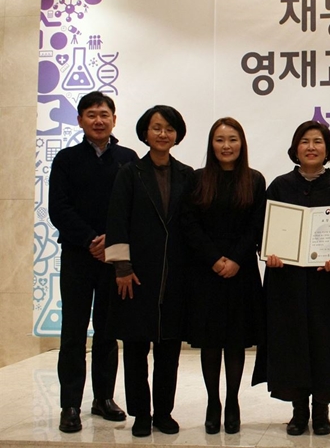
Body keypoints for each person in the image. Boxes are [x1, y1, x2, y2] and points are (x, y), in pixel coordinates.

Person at [257, 120, 330, 436]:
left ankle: (322, 410)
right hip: (286, 283)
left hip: (328, 284)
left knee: (327, 343)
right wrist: (270, 251)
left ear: (327, 149)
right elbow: (264, 233)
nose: (311, 147)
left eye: (318, 141)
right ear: (296, 148)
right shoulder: (279, 187)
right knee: (290, 343)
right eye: (305, 141)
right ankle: (298, 410)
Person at [48, 91, 137, 433]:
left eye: (104, 114)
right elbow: (59, 208)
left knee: (108, 331)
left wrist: (111, 244)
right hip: (77, 255)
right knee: (72, 332)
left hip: (115, 259)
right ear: (80, 120)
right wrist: (90, 240)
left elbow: (133, 209)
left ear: (114, 119)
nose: (98, 120)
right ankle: (70, 403)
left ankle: (103, 398)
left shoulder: (128, 159)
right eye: (91, 115)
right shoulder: (66, 159)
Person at [105, 105, 192, 437]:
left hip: (175, 275)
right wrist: (122, 268)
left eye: (169, 128)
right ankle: (141, 414)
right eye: (156, 128)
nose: (162, 134)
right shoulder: (129, 173)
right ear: (145, 132)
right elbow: (117, 221)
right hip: (137, 276)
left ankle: (164, 413)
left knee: (169, 349)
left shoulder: (188, 175)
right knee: (137, 349)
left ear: (177, 135)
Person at [181, 117, 266, 434]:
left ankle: (232, 401)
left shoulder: (255, 180)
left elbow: (257, 226)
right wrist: (215, 260)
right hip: (206, 273)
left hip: (241, 272)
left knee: (235, 341)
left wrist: (235, 260)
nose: (226, 145)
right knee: (210, 342)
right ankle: (212, 401)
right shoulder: (198, 179)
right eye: (219, 139)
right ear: (211, 144)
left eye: (232, 139)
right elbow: (189, 225)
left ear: (241, 144)